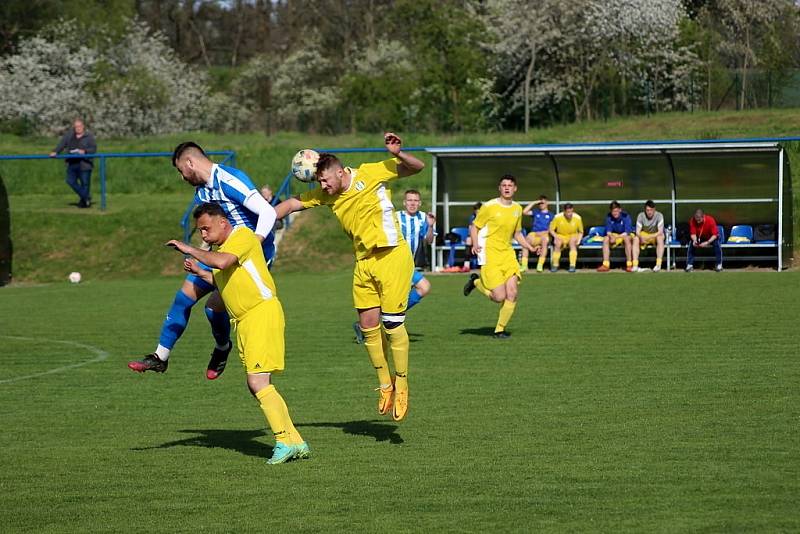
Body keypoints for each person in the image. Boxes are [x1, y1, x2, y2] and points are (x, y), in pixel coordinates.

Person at [275, 132, 424, 422]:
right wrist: (263, 219)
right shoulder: (326, 195)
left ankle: (403, 383)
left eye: (325, 180)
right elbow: (292, 204)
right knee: (368, 326)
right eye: (318, 181)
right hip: (364, 262)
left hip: (392, 255)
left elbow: (415, 167)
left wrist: (399, 153)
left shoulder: (370, 172)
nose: (322, 185)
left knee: (392, 326)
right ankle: (385, 384)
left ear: (341, 172)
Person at [167, 202, 309, 464]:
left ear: (223, 222)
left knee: (258, 383)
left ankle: (282, 440)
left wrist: (190, 249)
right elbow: (225, 280)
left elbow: (222, 262)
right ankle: (295, 440)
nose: (203, 235)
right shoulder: (225, 249)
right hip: (245, 321)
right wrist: (201, 273)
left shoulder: (241, 235)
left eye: (206, 228)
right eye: (199, 231)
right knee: (259, 384)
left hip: (260, 314)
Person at [128, 142, 278, 378]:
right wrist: (198, 254)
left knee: (212, 309)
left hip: (251, 255)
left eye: (180, 171)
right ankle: (160, 357)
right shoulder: (202, 193)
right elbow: (210, 231)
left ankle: (222, 347)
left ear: (190, 163)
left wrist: (251, 245)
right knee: (183, 298)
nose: (181, 177)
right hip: (222, 252)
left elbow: (268, 212)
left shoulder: (229, 179)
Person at [463, 174, 537, 339]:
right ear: (499, 188)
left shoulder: (517, 209)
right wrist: (475, 244)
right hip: (490, 255)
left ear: (515, 188)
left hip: (508, 255)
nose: (507, 187)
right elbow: (474, 227)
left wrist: (530, 247)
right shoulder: (489, 206)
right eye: (504, 185)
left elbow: (517, 233)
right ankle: (476, 282)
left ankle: (500, 330)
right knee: (499, 297)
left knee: (512, 293)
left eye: (510, 185)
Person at [396, 189, 435, 310]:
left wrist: (430, 226)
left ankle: (392, 315)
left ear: (420, 203)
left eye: (415, 201)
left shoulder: (424, 217)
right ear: (404, 202)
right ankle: (374, 321)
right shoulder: (395, 217)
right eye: (409, 200)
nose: (412, 203)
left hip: (408, 265)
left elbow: (429, 241)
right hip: (394, 264)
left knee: (424, 287)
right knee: (393, 296)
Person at [49, 118, 97, 208]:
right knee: (70, 181)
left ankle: (84, 203)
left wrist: (84, 151)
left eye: (79, 126)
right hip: (72, 163)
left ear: (83, 127)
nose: (78, 128)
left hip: (84, 164)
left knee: (85, 184)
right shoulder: (69, 135)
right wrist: (55, 151)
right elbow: (62, 144)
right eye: (76, 127)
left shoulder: (89, 136)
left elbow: (93, 149)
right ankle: (87, 197)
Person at [597, 200, 634, 272]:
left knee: (627, 239)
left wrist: (616, 237)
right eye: (613, 211)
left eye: (616, 211)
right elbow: (608, 232)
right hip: (615, 235)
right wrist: (611, 237)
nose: (615, 213)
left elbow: (627, 232)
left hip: (625, 234)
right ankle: (606, 264)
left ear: (620, 210)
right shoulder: (609, 217)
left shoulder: (626, 216)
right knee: (606, 239)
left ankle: (629, 264)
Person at [520, 195, 553, 272]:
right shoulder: (536, 212)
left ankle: (540, 265)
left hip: (544, 235)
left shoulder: (551, 215)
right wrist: (534, 202)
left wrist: (543, 233)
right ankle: (524, 265)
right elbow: (524, 212)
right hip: (534, 234)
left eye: (543, 203)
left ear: (547, 203)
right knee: (525, 242)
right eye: (540, 203)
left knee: (545, 240)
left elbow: (551, 228)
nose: (541, 204)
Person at [548, 203, 584, 272]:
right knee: (557, 243)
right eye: (568, 212)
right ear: (564, 211)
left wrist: (579, 240)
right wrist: (556, 237)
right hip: (561, 235)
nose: (570, 214)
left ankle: (572, 265)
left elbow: (581, 232)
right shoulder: (557, 217)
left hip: (573, 235)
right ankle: (555, 265)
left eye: (571, 212)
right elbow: (551, 230)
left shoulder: (577, 218)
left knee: (572, 242)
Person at [632, 200, 665, 272]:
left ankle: (658, 264)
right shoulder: (641, 215)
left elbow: (660, 232)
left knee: (660, 238)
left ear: (654, 210)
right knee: (635, 239)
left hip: (655, 235)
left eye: (651, 210)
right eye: (647, 210)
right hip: (644, 235)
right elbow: (637, 231)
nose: (649, 212)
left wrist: (648, 237)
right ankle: (635, 265)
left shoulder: (659, 215)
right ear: (645, 210)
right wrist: (641, 237)